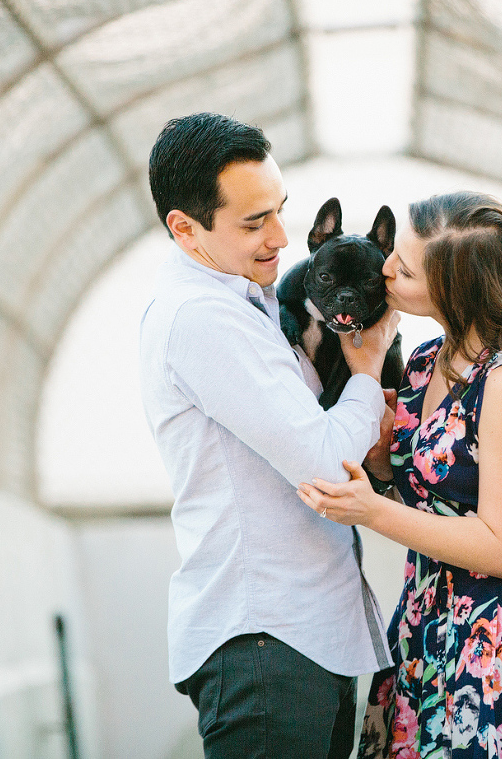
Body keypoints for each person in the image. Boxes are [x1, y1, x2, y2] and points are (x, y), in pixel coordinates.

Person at [139, 112, 400, 758]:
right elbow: (322, 461)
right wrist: (367, 370)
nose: (281, 237)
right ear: (184, 227)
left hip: (296, 643)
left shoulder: (246, 302)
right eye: (254, 222)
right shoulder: (202, 316)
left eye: (279, 210)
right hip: (266, 651)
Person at [297, 191, 502, 758]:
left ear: (453, 289)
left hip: (494, 642)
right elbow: (408, 467)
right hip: (423, 619)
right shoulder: (429, 360)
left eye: (402, 267)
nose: (384, 268)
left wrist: (372, 511)